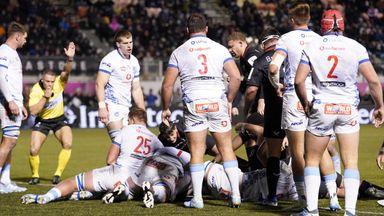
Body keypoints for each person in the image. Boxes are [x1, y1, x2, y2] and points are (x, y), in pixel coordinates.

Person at [294, 9, 384, 216]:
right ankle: (350, 212)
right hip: (348, 108)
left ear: (322, 25)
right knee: (351, 161)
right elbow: (372, 80)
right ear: (342, 25)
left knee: (312, 160)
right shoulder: (356, 47)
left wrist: (305, 102)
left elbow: (299, 80)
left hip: (322, 107)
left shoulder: (312, 45)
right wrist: (380, 106)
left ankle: (312, 211)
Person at [161, 13, 241, 208]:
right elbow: (236, 77)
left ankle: (197, 199)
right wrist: (229, 100)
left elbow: (167, 85)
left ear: (188, 30)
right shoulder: (220, 49)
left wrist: (165, 108)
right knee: (226, 149)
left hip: (194, 102)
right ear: (206, 29)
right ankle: (236, 196)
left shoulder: (179, 52)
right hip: (217, 101)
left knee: (197, 150)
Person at [269, 3, 340, 210]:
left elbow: (274, 67)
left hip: (295, 96)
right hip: (318, 96)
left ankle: (304, 202)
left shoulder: (286, 39)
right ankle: (333, 198)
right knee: (322, 150)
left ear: (292, 20)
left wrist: (277, 86)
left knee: (298, 151)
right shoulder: (319, 39)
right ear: (309, 19)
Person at [21, 107, 164, 204]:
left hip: (118, 171)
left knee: (73, 183)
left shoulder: (125, 131)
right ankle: (111, 192)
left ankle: (46, 197)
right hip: (137, 181)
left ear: (131, 119)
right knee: (128, 188)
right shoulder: (155, 140)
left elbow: (110, 160)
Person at [244, 27, 286, 206]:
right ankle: (320, 195)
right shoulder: (291, 54)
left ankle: (273, 197)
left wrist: (247, 109)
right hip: (297, 108)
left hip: (275, 111)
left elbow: (252, 90)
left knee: (273, 155)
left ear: (263, 44)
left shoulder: (260, 61)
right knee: (305, 152)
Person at [27, 42, 76, 185]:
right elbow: (33, 111)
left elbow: (66, 72)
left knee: (67, 143)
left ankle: (57, 174)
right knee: (33, 149)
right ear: (42, 80)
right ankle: (35, 176)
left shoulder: (59, 83)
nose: (50, 84)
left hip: (59, 119)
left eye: (52, 82)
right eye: (47, 81)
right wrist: (45, 97)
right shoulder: (36, 90)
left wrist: (70, 59)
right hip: (43, 121)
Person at [96, 30, 145, 143]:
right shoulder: (109, 60)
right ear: (118, 44)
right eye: (125, 43)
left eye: (131, 42)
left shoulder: (134, 61)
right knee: (121, 144)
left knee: (129, 147)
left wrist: (143, 112)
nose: (129, 46)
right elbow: (99, 84)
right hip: (112, 106)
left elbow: (136, 89)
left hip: (126, 108)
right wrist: (102, 107)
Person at [102, 147, 191, 208]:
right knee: (164, 191)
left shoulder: (163, 148)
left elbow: (154, 154)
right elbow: (190, 172)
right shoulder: (187, 155)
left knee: (132, 190)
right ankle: (152, 191)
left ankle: (124, 188)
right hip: (169, 166)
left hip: (149, 161)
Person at [0, 21, 28, 193]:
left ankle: (4, 181)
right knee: (9, 142)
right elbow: (0, 76)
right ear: (17, 36)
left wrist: (20, 103)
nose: (25, 41)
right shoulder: (4, 51)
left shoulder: (11, 53)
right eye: (24, 38)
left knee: (9, 142)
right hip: (6, 103)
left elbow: (13, 81)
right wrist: (10, 100)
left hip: (13, 102)